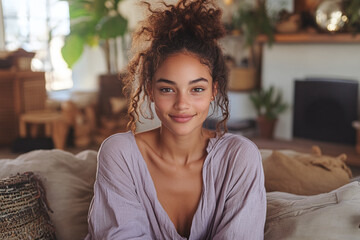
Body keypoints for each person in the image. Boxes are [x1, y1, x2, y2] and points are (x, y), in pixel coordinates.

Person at [85, 0, 266, 239]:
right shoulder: (119, 154)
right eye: (167, 89)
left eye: (197, 89)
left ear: (214, 90)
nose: (182, 104)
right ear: (150, 90)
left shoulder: (240, 157)